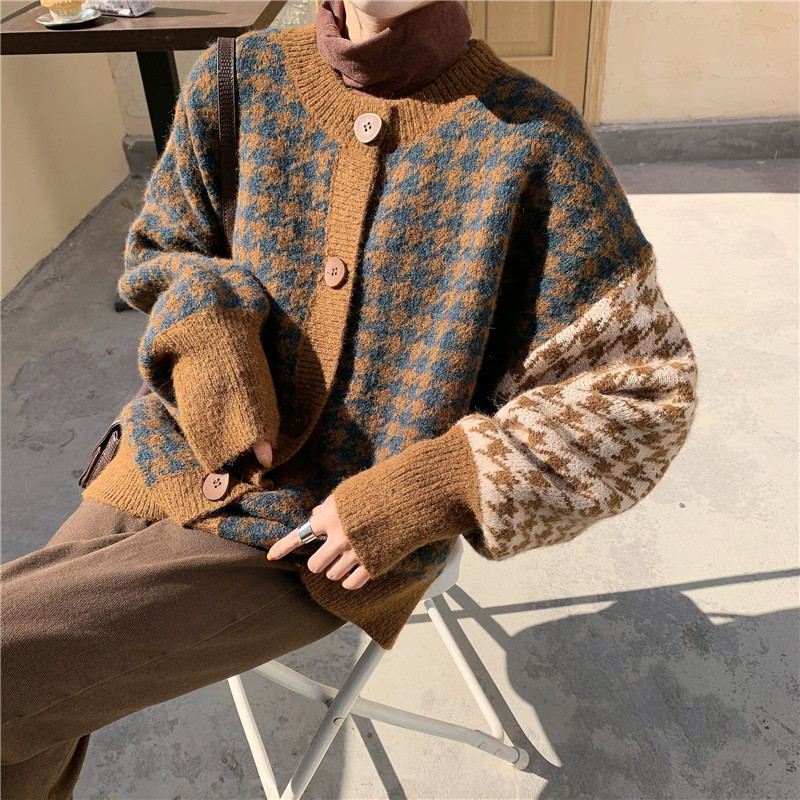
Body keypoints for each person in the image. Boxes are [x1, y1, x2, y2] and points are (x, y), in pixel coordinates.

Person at [0, 1, 699, 796]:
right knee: (23, 709)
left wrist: (436, 486)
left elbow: (643, 393)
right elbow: (167, 242)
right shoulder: (237, 78)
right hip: (174, 446)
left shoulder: (536, 140)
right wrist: (211, 346)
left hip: (316, 543)